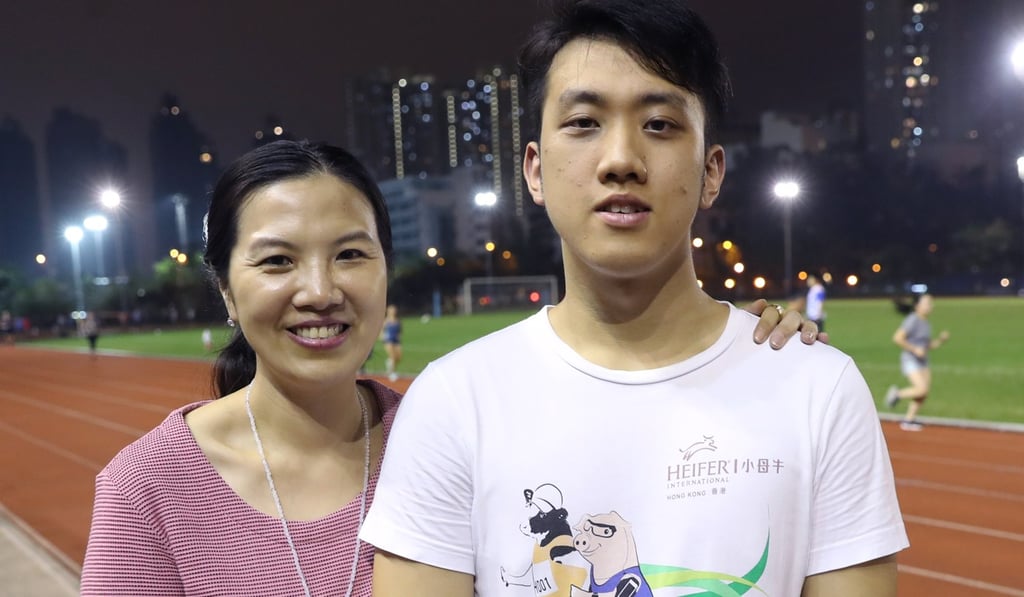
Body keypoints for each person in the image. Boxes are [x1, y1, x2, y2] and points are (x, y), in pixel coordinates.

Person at [78, 137, 812, 596]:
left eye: (351, 254)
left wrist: (738, 350)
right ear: (227, 292)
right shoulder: (149, 488)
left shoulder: (456, 429)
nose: (320, 290)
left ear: (385, 272)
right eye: (276, 260)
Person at [361, 2, 907, 595]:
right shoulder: (452, 404)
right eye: (583, 123)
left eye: (660, 125)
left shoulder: (818, 391)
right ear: (535, 172)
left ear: (711, 173)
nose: (621, 160)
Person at [884, 293, 950, 431]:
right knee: (921, 389)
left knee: (923, 393)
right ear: (917, 306)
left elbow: (926, 345)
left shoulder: (925, 322)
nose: (930, 306)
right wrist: (914, 349)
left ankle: (909, 420)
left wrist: (940, 341)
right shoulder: (912, 320)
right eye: (927, 303)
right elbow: (897, 338)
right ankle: (897, 394)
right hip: (910, 359)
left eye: (931, 304)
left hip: (923, 361)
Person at [381, 304, 402, 381]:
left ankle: (389, 363)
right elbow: (381, 331)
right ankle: (392, 373)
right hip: (388, 341)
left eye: (394, 310)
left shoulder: (398, 321)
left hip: (396, 341)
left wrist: (399, 337)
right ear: (388, 311)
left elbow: (399, 331)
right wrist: (383, 337)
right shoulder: (386, 321)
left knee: (398, 357)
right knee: (393, 356)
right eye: (391, 310)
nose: (393, 311)